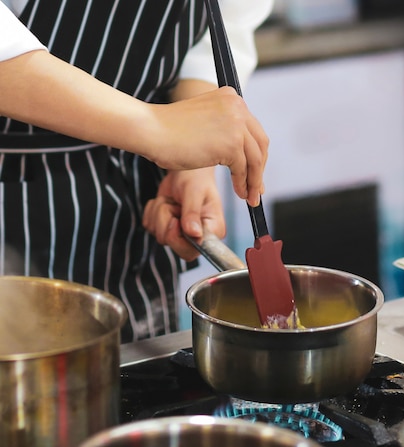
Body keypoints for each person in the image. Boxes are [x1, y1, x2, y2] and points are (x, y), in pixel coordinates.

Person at [0, 0, 273, 342]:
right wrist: (155, 127)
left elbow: (225, 20)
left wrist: (193, 163)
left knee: (134, 384)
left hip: (130, 210)